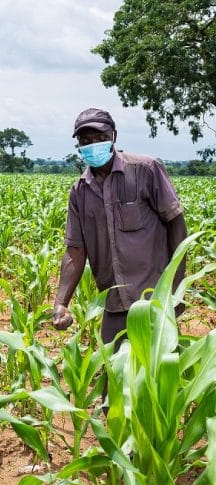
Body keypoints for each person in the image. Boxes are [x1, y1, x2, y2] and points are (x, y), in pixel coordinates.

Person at [52, 108, 187, 350]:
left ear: (113, 136)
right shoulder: (80, 191)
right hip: (114, 303)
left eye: (99, 138)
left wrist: (175, 288)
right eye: (85, 140)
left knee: (158, 376)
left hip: (155, 299)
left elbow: (176, 223)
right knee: (112, 377)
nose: (92, 144)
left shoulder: (145, 170)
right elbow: (75, 250)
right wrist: (61, 302)